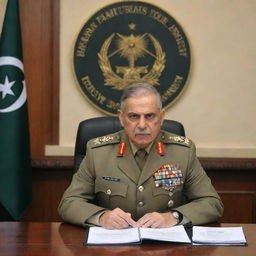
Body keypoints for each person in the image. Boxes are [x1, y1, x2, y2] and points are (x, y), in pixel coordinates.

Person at [58, 83, 223, 229]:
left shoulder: (182, 152)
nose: (142, 125)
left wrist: (173, 217)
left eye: (150, 116)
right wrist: (101, 217)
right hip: (111, 247)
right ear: (122, 118)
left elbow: (211, 203)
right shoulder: (98, 152)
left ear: (162, 117)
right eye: (133, 116)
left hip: (165, 247)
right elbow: (69, 203)